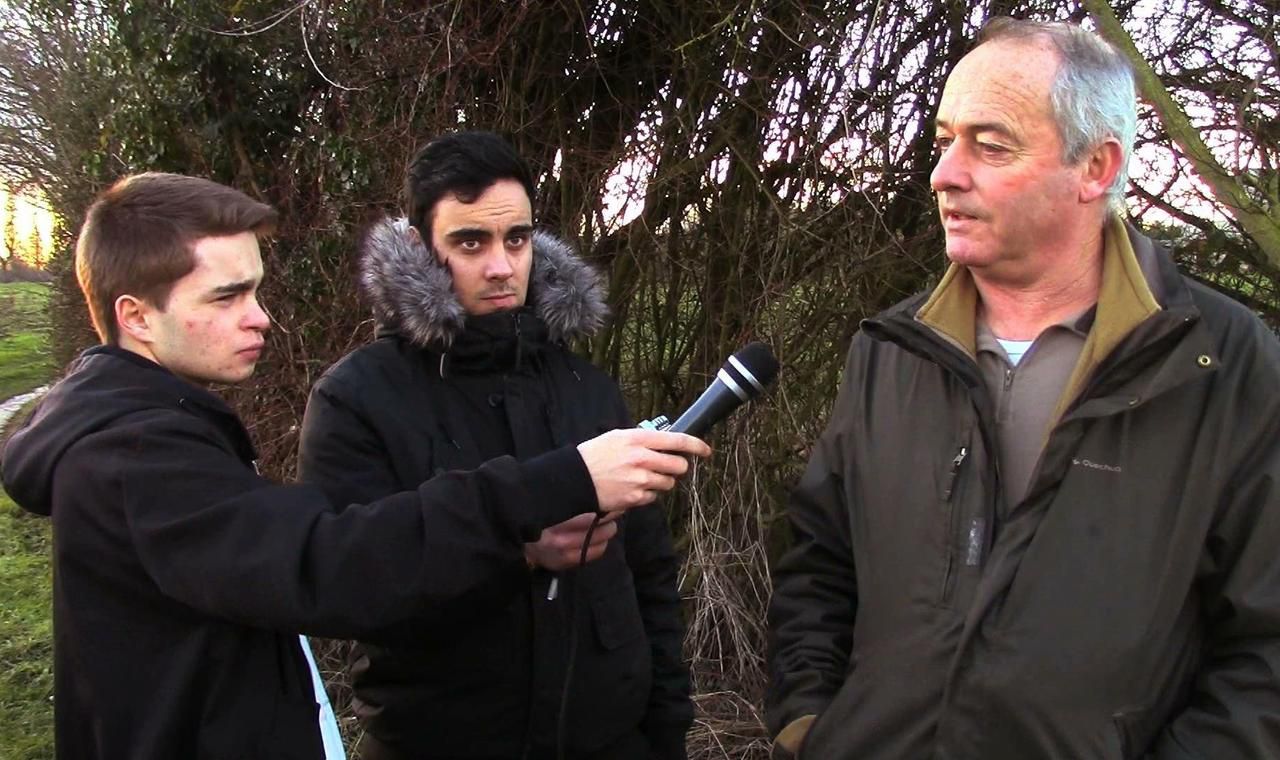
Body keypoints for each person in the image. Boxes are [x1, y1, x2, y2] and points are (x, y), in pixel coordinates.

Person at [0, 172, 709, 760]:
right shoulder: (135, 457)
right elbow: (331, 559)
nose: (262, 318)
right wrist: (561, 482)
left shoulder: (152, 429)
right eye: (228, 296)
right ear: (137, 316)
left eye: (255, 289)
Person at [765, 18, 1280, 760]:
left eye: (991, 145)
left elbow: (1266, 644)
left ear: (1096, 168)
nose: (945, 173)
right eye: (944, 141)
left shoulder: (1219, 363)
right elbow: (819, 564)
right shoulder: (892, 350)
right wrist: (810, 725)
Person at [296, 131, 693, 760]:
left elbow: (648, 572)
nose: (502, 266)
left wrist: (667, 727)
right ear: (425, 251)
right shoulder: (357, 399)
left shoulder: (586, 389)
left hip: (609, 740)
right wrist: (515, 552)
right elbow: (346, 585)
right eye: (470, 242)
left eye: (517, 239)